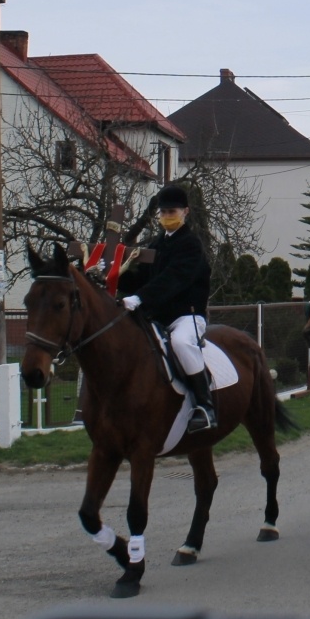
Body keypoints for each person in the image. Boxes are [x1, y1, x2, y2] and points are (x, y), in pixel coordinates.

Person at [120, 185, 217, 434]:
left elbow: (173, 279)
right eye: (162, 213)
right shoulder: (157, 243)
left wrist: (140, 298)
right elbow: (141, 278)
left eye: (171, 211)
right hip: (157, 316)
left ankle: (205, 406)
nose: (166, 217)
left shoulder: (191, 245)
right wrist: (112, 276)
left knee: (182, 344)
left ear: (185, 212)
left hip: (187, 315)